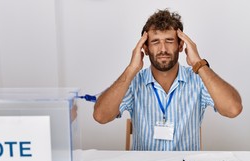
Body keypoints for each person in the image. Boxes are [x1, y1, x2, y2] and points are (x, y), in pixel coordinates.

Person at [93, 9, 242, 151]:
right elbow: (101, 116)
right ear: (145, 48)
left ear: (181, 45)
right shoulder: (132, 82)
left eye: (169, 41)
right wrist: (131, 68)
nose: (163, 49)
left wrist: (199, 64)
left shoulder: (198, 80)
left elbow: (233, 109)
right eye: (156, 42)